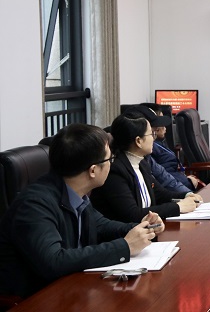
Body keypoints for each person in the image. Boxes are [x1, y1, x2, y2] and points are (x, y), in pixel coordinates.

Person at [0, 124, 163, 298]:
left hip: (73, 288)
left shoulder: (76, 192)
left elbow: (101, 225)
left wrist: (142, 228)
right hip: (37, 299)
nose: (112, 164)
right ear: (93, 170)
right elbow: (54, 261)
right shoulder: (34, 204)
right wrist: (125, 247)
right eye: (110, 159)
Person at [91, 112, 201, 223]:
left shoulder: (142, 163)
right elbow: (133, 214)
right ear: (138, 141)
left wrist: (187, 195)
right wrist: (178, 207)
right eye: (151, 134)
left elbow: (160, 194)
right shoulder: (115, 171)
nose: (154, 138)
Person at [138, 103, 203, 191]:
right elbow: (162, 181)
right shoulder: (149, 151)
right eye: (159, 123)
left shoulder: (159, 144)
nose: (164, 127)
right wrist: (187, 182)